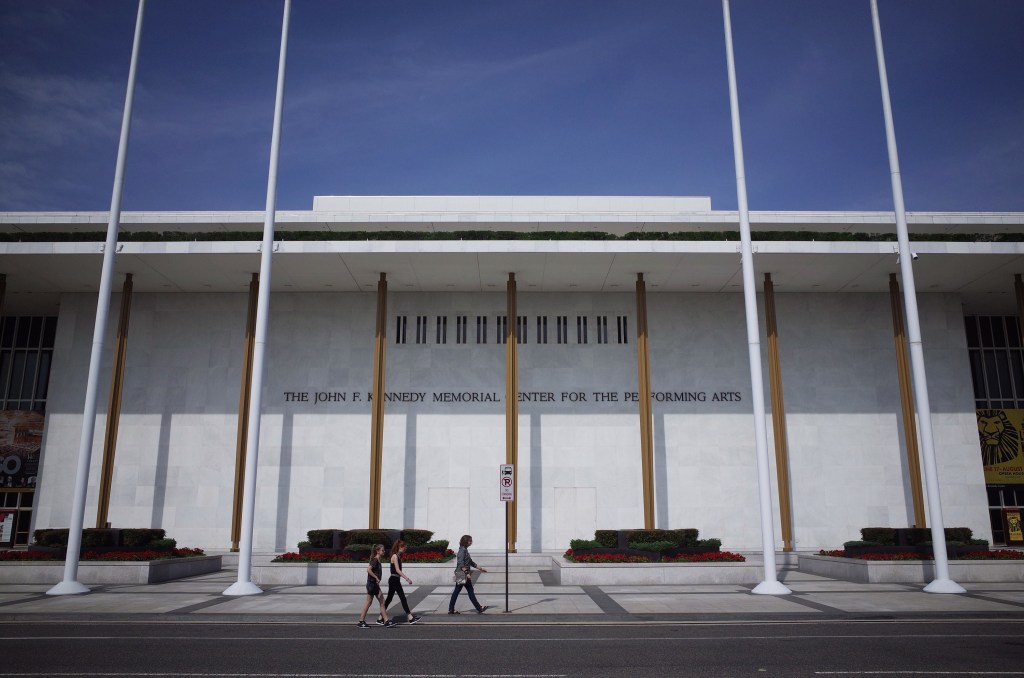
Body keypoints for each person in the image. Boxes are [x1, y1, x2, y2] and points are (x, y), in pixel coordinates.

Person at [378, 540, 421, 625]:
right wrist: (407, 578)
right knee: (400, 598)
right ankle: (410, 617)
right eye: (404, 547)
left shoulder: (397, 556)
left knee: (392, 599)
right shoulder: (394, 556)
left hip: (395, 579)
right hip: (394, 579)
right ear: (399, 547)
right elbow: (397, 570)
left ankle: (380, 618)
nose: (405, 549)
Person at [448, 534, 489, 614]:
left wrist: (480, 568)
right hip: (461, 574)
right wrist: (467, 573)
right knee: (469, 590)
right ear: (466, 542)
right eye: (470, 540)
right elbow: (461, 564)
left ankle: (451, 609)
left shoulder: (465, 550)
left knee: (458, 591)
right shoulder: (462, 551)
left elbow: (470, 562)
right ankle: (479, 608)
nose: (471, 542)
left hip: (461, 573)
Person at [357, 544, 396, 628]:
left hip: (374, 584)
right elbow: (368, 570)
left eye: (384, 550)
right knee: (369, 602)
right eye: (382, 550)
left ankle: (386, 621)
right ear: (377, 551)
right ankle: (361, 621)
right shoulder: (375, 560)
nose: (384, 551)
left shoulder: (377, 560)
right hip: (372, 584)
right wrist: (376, 577)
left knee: (382, 602)